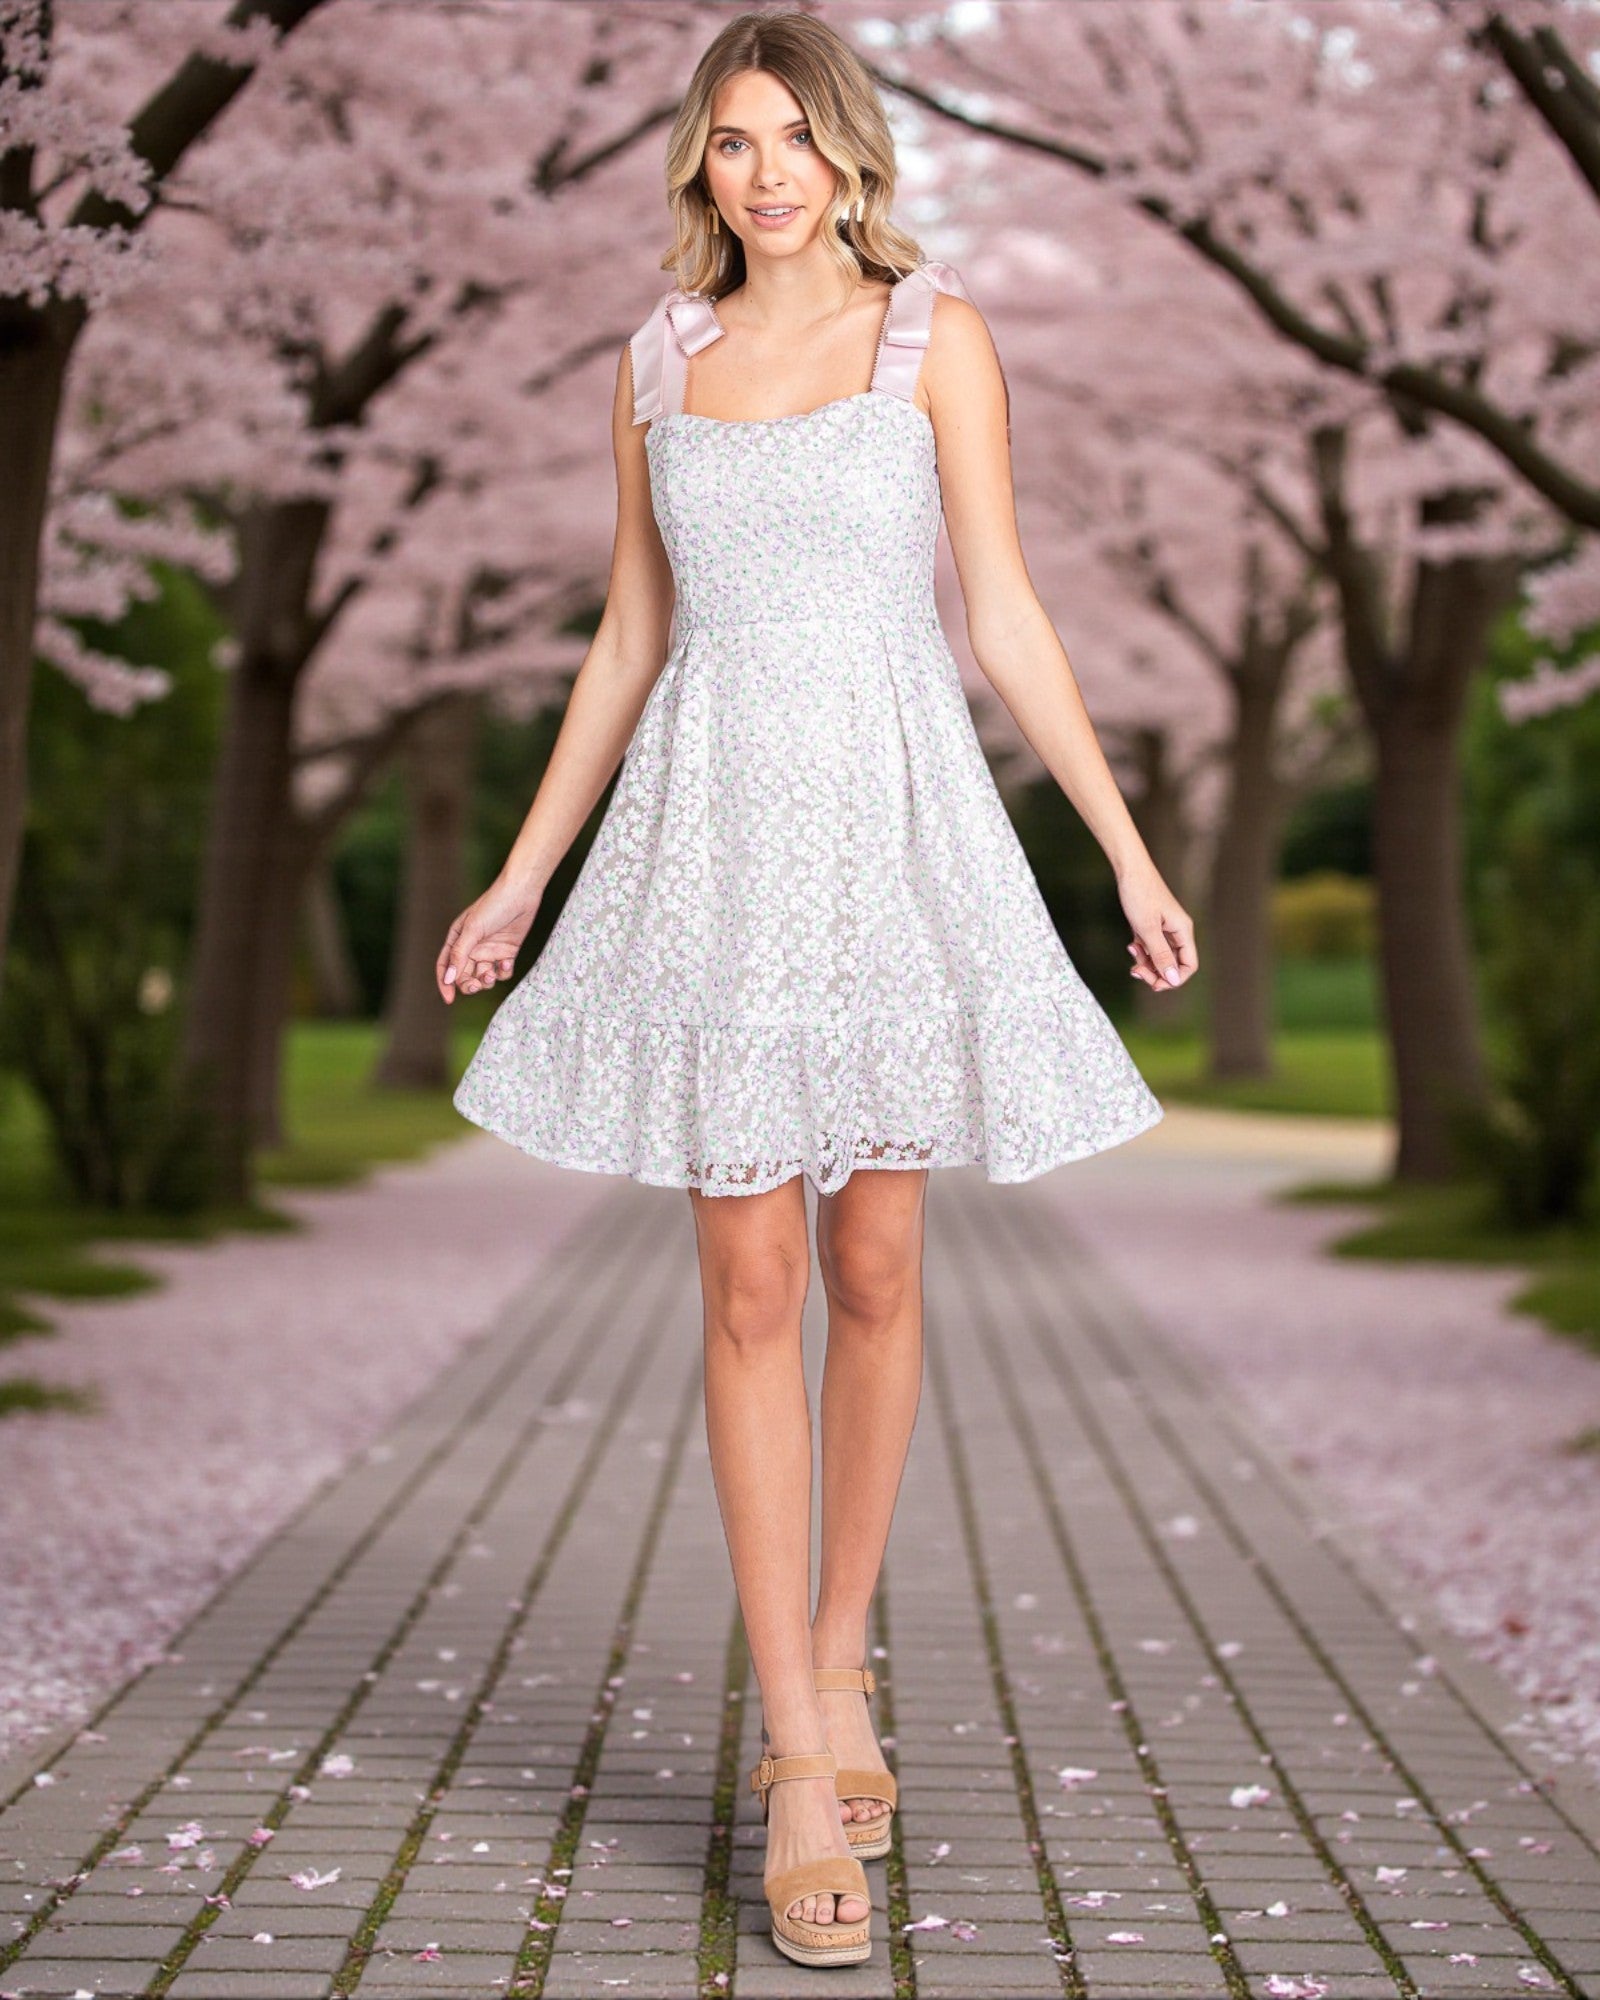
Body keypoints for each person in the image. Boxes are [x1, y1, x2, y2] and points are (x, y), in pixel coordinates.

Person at [437, 6, 1195, 1970]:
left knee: (872, 1264)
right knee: (748, 1279)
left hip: (889, 829)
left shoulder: (936, 341)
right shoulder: (653, 363)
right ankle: (790, 1745)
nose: (762, 173)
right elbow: (627, 638)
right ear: (699, 163)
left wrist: (1123, 851)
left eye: (792, 137)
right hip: (708, 840)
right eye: (730, 140)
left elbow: (1001, 611)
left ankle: (841, 1655)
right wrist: (521, 873)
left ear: (850, 152)